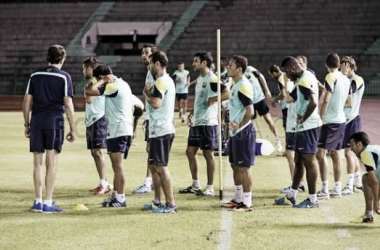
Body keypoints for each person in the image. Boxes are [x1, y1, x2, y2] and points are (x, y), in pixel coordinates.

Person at [23, 45, 75, 213]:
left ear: (48, 58)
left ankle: (38, 201)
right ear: (62, 59)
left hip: (37, 120)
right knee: (51, 163)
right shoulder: (64, 77)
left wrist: (27, 123)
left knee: (37, 163)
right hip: (55, 121)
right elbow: (68, 104)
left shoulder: (35, 75)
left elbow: (26, 101)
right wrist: (73, 128)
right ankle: (48, 202)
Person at [179, 52, 229, 196]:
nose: (193, 64)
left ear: (204, 63)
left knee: (208, 154)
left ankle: (210, 187)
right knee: (190, 152)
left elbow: (227, 93)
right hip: (197, 121)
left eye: (196, 61)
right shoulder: (200, 79)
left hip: (208, 122)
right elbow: (200, 99)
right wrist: (192, 112)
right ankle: (195, 184)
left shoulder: (212, 78)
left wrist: (213, 99)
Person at [274, 56, 322, 208]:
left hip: (309, 126)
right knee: (299, 160)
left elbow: (314, 102)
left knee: (309, 160)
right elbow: (292, 98)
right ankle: (291, 194)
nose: (286, 75)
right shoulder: (305, 77)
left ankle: (313, 199)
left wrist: (304, 118)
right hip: (305, 126)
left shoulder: (304, 80)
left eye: (286, 72)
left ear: (293, 68)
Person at [86, 65, 133, 207]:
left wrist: (102, 81)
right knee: (116, 166)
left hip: (118, 129)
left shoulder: (112, 85)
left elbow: (89, 91)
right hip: (123, 128)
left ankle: (120, 199)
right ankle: (117, 196)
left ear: (101, 77)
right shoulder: (123, 83)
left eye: (97, 79)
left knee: (117, 166)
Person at [142, 51, 177, 213]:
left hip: (162, 130)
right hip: (158, 130)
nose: (148, 67)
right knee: (153, 166)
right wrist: (149, 94)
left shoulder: (162, 82)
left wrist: (146, 95)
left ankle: (171, 205)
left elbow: (156, 104)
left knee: (161, 167)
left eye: (150, 63)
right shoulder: (164, 81)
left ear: (157, 64)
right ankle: (158, 200)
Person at [221, 55, 255, 212]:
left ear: (239, 69)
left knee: (243, 168)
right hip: (235, 132)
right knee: (235, 165)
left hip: (243, 131)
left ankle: (247, 202)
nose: (228, 67)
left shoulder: (243, 85)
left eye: (231, 65)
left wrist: (238, 125)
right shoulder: (235, 85)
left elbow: (250, 112)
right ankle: (238, 198)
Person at [316, 53, 350, 200]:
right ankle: (337, 188)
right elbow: (349, 102)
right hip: (341, 119)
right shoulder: (345, 78)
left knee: (320, 154)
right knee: (336, 154)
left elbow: (326, 99)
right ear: (338, 64)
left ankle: (324, 189)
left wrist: (321, 116)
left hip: (330, 121)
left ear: (326, 65)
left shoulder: (331, 77)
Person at [269, 65, 305, 193]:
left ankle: (296, 185)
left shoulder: (286, 80)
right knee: (298, 154)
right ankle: (299, 183)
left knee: (292, 154)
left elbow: (286, 96)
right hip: (295, 117)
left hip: (291, 116)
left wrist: (283, 85)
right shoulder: (302, 81)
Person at [83, 57, 110, 195]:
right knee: (95, 153)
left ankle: (104, 184)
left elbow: (89, 99)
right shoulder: (92, 82)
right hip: (92, 121)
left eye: (84, 68)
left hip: (99, 119)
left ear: (90, 69)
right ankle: (103, 182)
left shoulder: (96, 82)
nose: (83, 71)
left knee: (98, 152)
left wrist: (88, 88)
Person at [133, 43, 158, 194]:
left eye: (146, 53)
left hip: (157, 118)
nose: (143, 55)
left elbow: (155, 97)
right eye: (142, 53)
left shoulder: (155, 73)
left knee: (152, 149)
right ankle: (153, 181)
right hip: (152, 116)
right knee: (151, 149)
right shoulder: (149, 72)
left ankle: (149, 182)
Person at [340, 56, 364, 195]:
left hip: (352, 120)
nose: (343, 70)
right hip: (346, 120)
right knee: (350, 153)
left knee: (349, 153)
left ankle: (349, 186)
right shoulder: (346, 80)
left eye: (346, 67)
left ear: (351, 67)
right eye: (342, 67)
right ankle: (357, 181)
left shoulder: (357, 79)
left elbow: (350, 93)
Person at [245, 66, 282, 152]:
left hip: (260, 98)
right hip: (249, 101)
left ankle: (277, 139)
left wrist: (266, 89)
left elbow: (261, 76)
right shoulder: (237, 74)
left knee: (268, 119)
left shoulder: (249, 69)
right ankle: (251, 142)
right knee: (250, 123)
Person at [349, 132, 380, 223]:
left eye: (352, 145)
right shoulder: (371, 149)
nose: (351, 149)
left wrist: (376, 203)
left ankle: (370, 214)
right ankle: (369, 215)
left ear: (359, 144)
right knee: (366, 178)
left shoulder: (365, 153)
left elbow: (375, 182)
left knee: (368, 179)